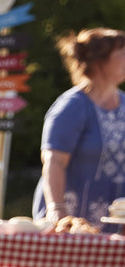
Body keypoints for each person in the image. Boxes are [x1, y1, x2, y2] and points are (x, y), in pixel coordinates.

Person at [35, 28, 125, 233]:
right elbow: (53, 161)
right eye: (122, 53)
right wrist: (57, 211)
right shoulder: (72, 106)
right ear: (99, 61)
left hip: (113, 228)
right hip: (69, 226)